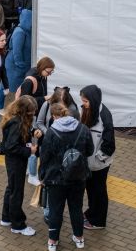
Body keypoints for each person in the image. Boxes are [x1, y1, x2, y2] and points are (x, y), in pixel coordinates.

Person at [39, 101, 94, 250]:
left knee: (56, 210)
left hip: (56, 178)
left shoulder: (51, 132)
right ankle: (79, 238)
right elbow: (90, 150)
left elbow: (44, 157)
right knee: (76, 208)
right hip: (78, 177)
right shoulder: (83, 129)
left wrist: (42, 176)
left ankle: (53, 241)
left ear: (55, 116)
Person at [0, 94, 41, 237]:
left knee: (11, 188)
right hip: (16, 162)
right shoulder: (17, 124)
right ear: (24, 111)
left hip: (13, 161)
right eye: (31, 111)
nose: (33, 113)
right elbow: (12, 146)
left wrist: (31, 132)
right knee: (17, 192)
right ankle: (18, 225)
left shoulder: (14, 119)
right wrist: (30, 150)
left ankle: (6, 217)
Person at [80, 85, 115, 231]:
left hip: (99, 164)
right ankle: (91, 213)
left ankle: (98, 221)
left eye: (85, 101)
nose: (83, 104)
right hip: (90, 162)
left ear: (93, 101)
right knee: (91, 190)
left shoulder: (104, 116)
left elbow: (109, 144)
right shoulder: (89, 110)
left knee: (98, 191)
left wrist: (98, 159)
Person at [5, 8, 32, 100]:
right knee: (10, 87)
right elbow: (17, 51)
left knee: (9, 86)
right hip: (16, 66)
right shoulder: (20, 32)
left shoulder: (26, 31)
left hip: (20, 66)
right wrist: (21, 65)